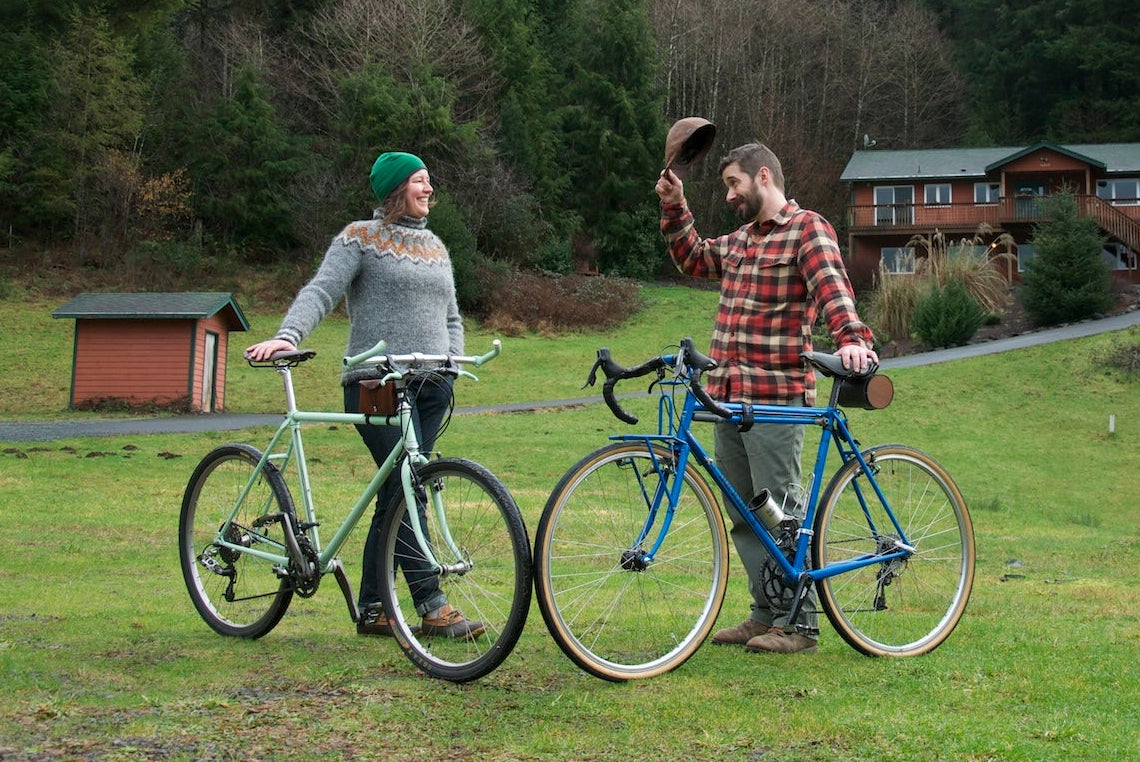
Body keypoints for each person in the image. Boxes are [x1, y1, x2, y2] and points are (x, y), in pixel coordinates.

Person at [245, 151, 483, 640]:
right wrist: (288, 336)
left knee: (398, 490)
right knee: (407, 488)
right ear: (397, 189)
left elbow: (452, 317)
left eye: (430, 182)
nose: (429, 190)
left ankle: (375, 606)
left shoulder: (436, 246)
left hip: (434, 384)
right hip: (378, 383)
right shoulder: (359, 238)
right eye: (421, 181)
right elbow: (322, 290)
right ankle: (431, 603)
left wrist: (453, 364)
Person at [654, 142, 878, 654]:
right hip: (728, 398)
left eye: (734, 184)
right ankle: (765, 611)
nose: (730, 195)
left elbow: (834, 292)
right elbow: (693, 257)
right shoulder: (740, 242)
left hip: (777, 398)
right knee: (746, 514)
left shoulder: (807, 229)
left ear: (762, 177)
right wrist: (674, 204)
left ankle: (800, 625)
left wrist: (852, 342)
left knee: (782, 513)